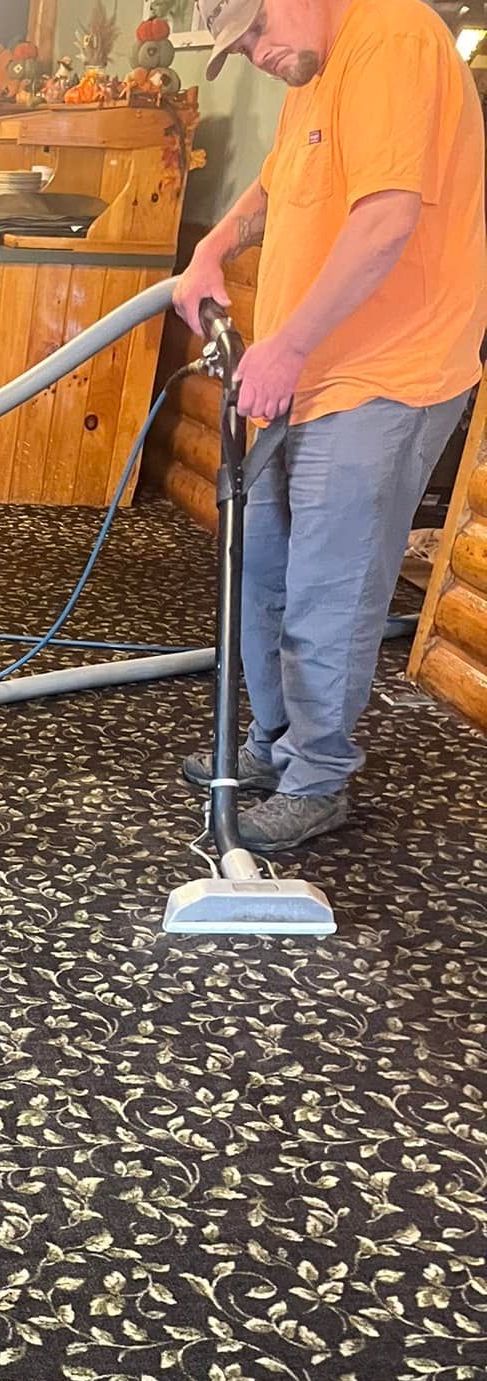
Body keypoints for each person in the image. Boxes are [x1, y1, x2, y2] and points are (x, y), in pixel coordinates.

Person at [173, 0, 487, 852]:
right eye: (240, 47)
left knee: (328, 589)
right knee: (261, 566)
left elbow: (387, 218)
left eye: (257, 32)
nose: (258, 55)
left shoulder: (391, 39)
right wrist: (211, 249)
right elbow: (278, 185)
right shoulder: (311, 67)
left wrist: (288, 346)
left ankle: (317, 777)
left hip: (387, 372)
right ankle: (275, 745)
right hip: (303, 371)